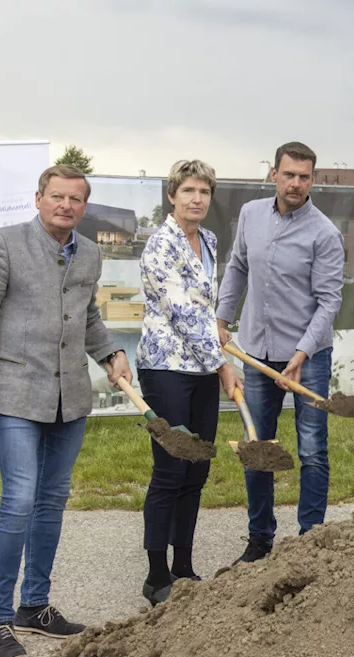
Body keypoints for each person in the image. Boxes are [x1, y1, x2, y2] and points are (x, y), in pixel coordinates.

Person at [0, 164, 131, 657]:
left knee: (51, 501)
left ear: (84, 206)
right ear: (38, 198)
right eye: (57, 197)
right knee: (19, 500)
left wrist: (111, 353)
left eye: (75, 199)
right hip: (15, 395)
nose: (65, 206)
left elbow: (87, 316)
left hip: (68, 398)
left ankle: (35, 606)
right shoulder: (4, 244)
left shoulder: (88, 252)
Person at [216, 142, 343, 564]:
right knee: (258, 447)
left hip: (308, 358)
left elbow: (329, 301)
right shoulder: (251, 215)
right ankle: (260, 539)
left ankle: (310, 540)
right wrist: (221, 317)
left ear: (313, 180)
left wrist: (303, 351)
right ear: (274, 174)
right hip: (257, 354)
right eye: (289, 175)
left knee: (311, 449)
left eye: (304, 177)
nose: (296, 183)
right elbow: (237, 267)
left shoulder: (324, 232)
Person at [136, 160, 241, 605]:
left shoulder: (210, 241)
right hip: (166, 368)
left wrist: (218, 332)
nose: (197, 198)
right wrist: (222, 364)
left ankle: (184, 565)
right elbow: (180, 312)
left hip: (200, 369)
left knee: (197, 468)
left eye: (204, 191)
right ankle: (157, 575)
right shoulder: (160, 245)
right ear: (172, 196)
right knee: (171, 470)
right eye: (188, 190)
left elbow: (203, 305)